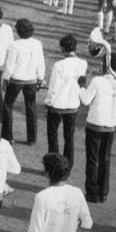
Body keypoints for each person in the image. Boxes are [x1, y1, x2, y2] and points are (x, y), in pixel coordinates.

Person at [80, 52, 116, 203]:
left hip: (94, 125)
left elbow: (85, 99)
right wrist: (114, 109)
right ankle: (103, 192)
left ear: (104, 64)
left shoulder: (97, 81)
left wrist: (82, 86)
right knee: (105, 160)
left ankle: (92, 192)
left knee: (92, 159)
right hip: (110, 127)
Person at [44, 34, 87, 163]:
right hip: (72, 105)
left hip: (57, 105)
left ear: (62, 49)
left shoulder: (59, 65)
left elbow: (53, 87)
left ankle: (54, 162)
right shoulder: (83, 64)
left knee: (53, 135)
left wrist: (48, 102)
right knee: (69, 136)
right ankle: (68, 163)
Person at [1, 18, 45, 144]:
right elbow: (40, 63)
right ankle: (32, 139)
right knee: (31, 107)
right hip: (31, 80)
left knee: (8, 106)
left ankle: (7, 136)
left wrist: (5, 79)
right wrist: (40, 78)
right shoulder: (37, 44)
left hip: (16, 80)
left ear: (18, 31)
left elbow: (10, 65)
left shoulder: (15, 45)